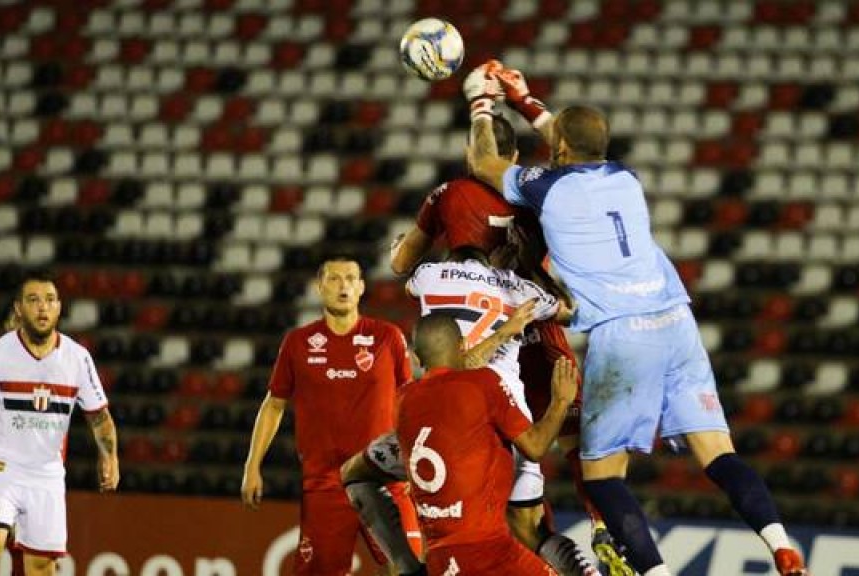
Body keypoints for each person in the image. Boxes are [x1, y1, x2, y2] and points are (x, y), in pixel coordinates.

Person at [462, 60, 809, 576]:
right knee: (718, 453)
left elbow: (484, 164)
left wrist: (482, 103)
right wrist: (527, 98)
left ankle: (655, 573)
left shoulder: (546, 186)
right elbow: (572, 140)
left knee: (601, 477)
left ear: (558, 151)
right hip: (677, 322)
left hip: (623, 334)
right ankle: (780, 543)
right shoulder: (625, 177)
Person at [389, 112, 630, 574]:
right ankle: (601, 532)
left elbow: (403, 266)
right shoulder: (535, 194)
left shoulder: (446, 201)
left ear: (469, 152)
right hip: (517, 356)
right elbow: (567, 303)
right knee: (548, 474)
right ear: (514, 157)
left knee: (376, 480)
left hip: (450, 392)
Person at [241, 255, 421, 575]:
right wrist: (252, 465)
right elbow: (274, 404)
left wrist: (413, 461)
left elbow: (409, 402)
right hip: (326, 484)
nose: (344, 286)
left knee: (405, 568)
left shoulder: (388, 337)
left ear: (362, 288)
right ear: (319, 287)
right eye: (335, 279)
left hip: (383, 477)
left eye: (351, 279)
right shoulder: (297, 343)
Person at [0, 272, 120, 576]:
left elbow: (99, 416)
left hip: (47, 475)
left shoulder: (77, 358)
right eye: (33, 300)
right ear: (18, 308)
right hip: (1, 467)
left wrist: (110, 457)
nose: (42, 308)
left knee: (41, 568)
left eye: (50, 300)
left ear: (59, 308)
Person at [396, 313, 578, 574]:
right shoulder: (483, 384)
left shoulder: (403, 401)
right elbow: (535, 447)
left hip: (440, 557)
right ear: (463, 345)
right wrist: (560, 402)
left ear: (416, 358)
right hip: (489, 551)